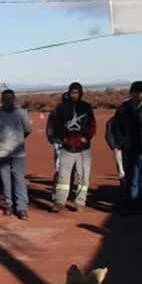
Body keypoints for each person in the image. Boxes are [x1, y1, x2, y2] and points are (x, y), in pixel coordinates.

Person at [51, 82, 96, 213]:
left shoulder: (86, 107)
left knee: (83, 176)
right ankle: (59, 202)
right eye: (72, 93)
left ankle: (80, 201)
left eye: (76, 93)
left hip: (83, 148)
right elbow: (57, 125)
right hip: (67, 147)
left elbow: (92, 126)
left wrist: (86, 138)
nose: (74, 95)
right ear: (69, 93)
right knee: (63, 177)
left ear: (80, 93)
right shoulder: (62, 107)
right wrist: (64, 138)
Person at [0, 89, 33, 220]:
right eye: (6, 99)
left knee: (19, 178)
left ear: (14, 99)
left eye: (11, 99)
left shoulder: (21, 113)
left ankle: (21, 207)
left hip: (18, 153)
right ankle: (9, 204)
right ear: (2, 100)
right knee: (5, 179)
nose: (9, 101)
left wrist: (18, 141)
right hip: (2, 152)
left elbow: (28, 129)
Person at [110, 81, 142, 215]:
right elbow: (115, 127)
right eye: (134, 92)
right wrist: (121, 143)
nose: (136, 95)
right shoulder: (123, 109)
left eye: (139, 92)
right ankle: (132, 204)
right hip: (131, 150)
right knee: (133, 178)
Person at [46, 92, 70, 182]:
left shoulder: (56, 110)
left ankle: (64, 186)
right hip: (60, 141)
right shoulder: (57, 111)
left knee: (61, 165)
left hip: (65, 142)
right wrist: (52, 138)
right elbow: (50, 126)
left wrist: (51, 138)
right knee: (61, 165)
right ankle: (59, 188)